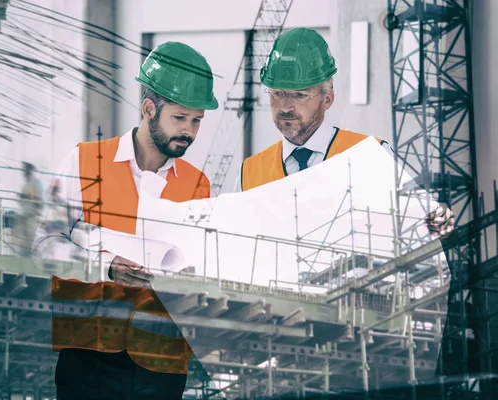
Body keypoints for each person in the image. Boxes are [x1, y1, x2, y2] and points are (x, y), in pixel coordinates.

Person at [34, 41, 218, 400]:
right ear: (149, 108)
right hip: (89, 355)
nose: (190, 132)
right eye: (179, 118)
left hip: (162, 361)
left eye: (197, 121)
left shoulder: (199, 184)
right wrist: (105, 266)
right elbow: (45, 244)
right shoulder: (84, 161)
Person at [238, 27, 454, 237]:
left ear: (327, 99)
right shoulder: (250, 172)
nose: (285, 106)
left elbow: (422, 221)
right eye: (277, 93)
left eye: (299, 95)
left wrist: (437, 219)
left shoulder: (370, 156)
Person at [18, 162, 43, 256]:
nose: (24, 173)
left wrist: (27, 197)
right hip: (25, 214)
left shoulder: (36, 184)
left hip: (33, 215)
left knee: (32, 236)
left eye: (25, 170)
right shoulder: (26, 185)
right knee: (24, 238)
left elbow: (40, 201)